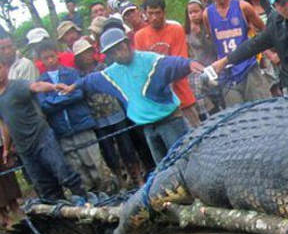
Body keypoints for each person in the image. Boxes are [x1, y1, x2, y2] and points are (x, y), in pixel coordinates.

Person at [58, 28, 203, 164]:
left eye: (119, 48)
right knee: (165, 168)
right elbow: (90, 80)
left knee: (185, 161)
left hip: (170, 121)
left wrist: (189, 64)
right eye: (112, 53)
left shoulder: (149, 60)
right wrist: (73, 86)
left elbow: (172, 63)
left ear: (127, 44)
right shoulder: (112, 73)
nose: (118, 55)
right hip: (147, 127)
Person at [0, 62, 88, 202]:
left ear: (4, 68)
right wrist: (6, 148)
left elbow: (36, 86)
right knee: (44, 185)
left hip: (41, 136)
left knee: (63, 171)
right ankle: (62, 214)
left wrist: (53, 86)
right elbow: (5, 123)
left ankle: (85, 200)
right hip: (24, 147)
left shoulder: (17, 86)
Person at [35, 40, 111, 191]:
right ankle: (91, 200)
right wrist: (65, 96)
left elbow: (78, 93)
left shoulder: (71, 73)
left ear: (57, 55)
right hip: (61, 131)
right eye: (46, 58)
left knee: (96, 164)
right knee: (78, 169)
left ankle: (110, 192)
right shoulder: (40, 82)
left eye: (52, 56)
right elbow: (43, 105)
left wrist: (56, 100)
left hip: (82, 125)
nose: (50, 60)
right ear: (41, 60)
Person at [73, 38, 144, 187]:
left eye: (87, 52)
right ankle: (120, 180)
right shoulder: (78, 76)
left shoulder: (106, 67)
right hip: (97, 118)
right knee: (108, 152)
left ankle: (137, 177)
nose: (86, 56)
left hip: (117, 112)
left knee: (127, 146)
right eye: (81, 54)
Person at [203, 0, 272, 106]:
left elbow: (264, 30)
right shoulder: (207, 14)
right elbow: (212, 39)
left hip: (248, 65)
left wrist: (267, 54)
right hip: (226, 71)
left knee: (263, 106)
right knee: (237, 113)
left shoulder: (243, 7)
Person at [134, 0, 200, 128]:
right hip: (159, 103)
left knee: (197, 132)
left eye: (157, 13)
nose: (154, 17)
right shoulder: (140, 36)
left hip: (182, 94)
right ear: (145, 14)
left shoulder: (176, 29)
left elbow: (179, 61)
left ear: (164, 12)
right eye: (150, 13)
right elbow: (142, 68)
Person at [184, 0, 224, 118]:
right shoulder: (186, 31)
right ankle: (209, 113)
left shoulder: (209, 26)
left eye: (196, 11)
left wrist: (202, 34)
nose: (194, 15)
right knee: (197, 87)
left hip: (214, 64)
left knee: (217, 89)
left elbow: (214, 46)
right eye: (190, 13)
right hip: (199, 67)